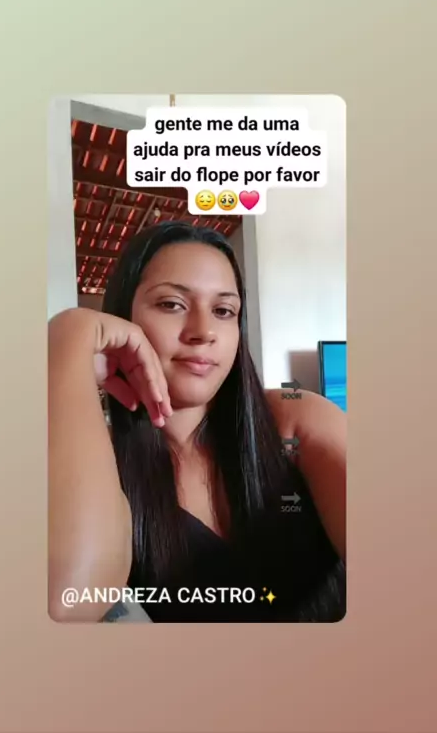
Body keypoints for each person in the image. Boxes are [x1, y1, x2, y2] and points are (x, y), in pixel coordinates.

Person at [48, 222, 346, 623]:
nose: (203, 332)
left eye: (223, 311)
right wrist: (68, 337)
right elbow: (71, 601)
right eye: (172, 304)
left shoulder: (296, 419)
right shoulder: (99, 465)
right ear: (121, 319)